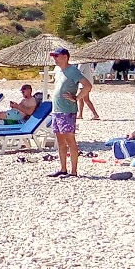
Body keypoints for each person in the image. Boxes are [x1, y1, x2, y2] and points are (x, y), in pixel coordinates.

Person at [50, 48, 91, 178]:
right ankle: (63, 168)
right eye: (54, 56)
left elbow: (87, 85)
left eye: (57, 56)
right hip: (56, 111)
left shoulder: (72, 71)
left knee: (70, 140)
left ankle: (73, 171)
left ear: (65, 57)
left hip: (67, 110)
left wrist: (77, 98)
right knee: (60, 141)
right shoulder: (59, 71)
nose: (55, 58)